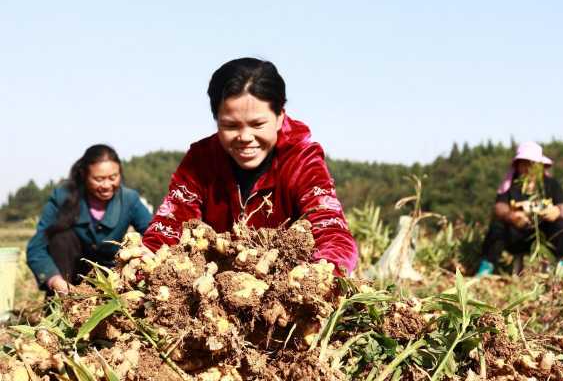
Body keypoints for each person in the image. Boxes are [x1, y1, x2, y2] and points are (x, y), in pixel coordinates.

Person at [142, 57, 358, 275]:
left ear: (280, 116)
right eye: (230, 125)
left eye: (257, 124)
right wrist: (145, 262)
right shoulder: (200, 161)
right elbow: (168, 225)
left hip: (285, 289)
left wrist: (320, 277)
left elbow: (332, 232)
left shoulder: (301, 161)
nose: (245, 137)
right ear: (217, 119)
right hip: (212, 290)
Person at [27, 144, 153, 293]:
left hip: (111, 279)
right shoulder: (63, 197)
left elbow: (154, 234)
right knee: (61, 237)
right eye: (98, 179)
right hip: (67, 279)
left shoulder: (129, 199)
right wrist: (55, 280)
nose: (107, 185)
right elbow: (36, 248)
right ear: (84, 175)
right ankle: (61, 304)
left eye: (113, 177)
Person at [476, 141, 563, 276]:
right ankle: (487, 265)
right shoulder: (510, 185)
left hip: (543, 236)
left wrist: (557, 212)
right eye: (524, 163)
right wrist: (511, 216)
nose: (528, 168)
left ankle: (561, 266)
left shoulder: (550, 184)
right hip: (517, 236)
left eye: (532, 164)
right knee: (497, 226)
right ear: (518, 164)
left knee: (562, 225)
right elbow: (499, 207)